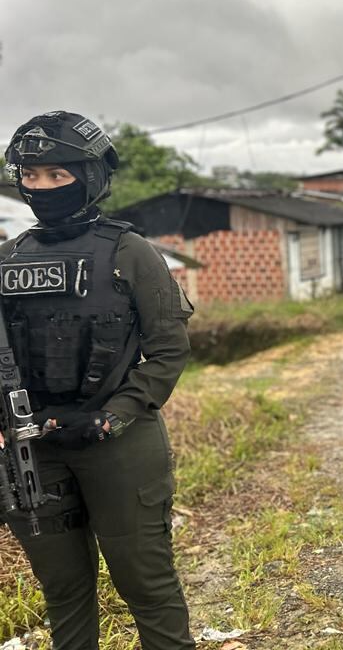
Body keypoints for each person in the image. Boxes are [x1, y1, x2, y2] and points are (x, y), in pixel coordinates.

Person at [0, 111, 195, 649]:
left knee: (146, 586)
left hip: (118, 444)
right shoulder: (8, 258)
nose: (41, 187)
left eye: (56, 175)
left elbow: (167, 350)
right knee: (63, 593)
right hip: (34, 451)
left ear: (88, 177)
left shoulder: (131, 253)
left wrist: (111, 417)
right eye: (31, 176)